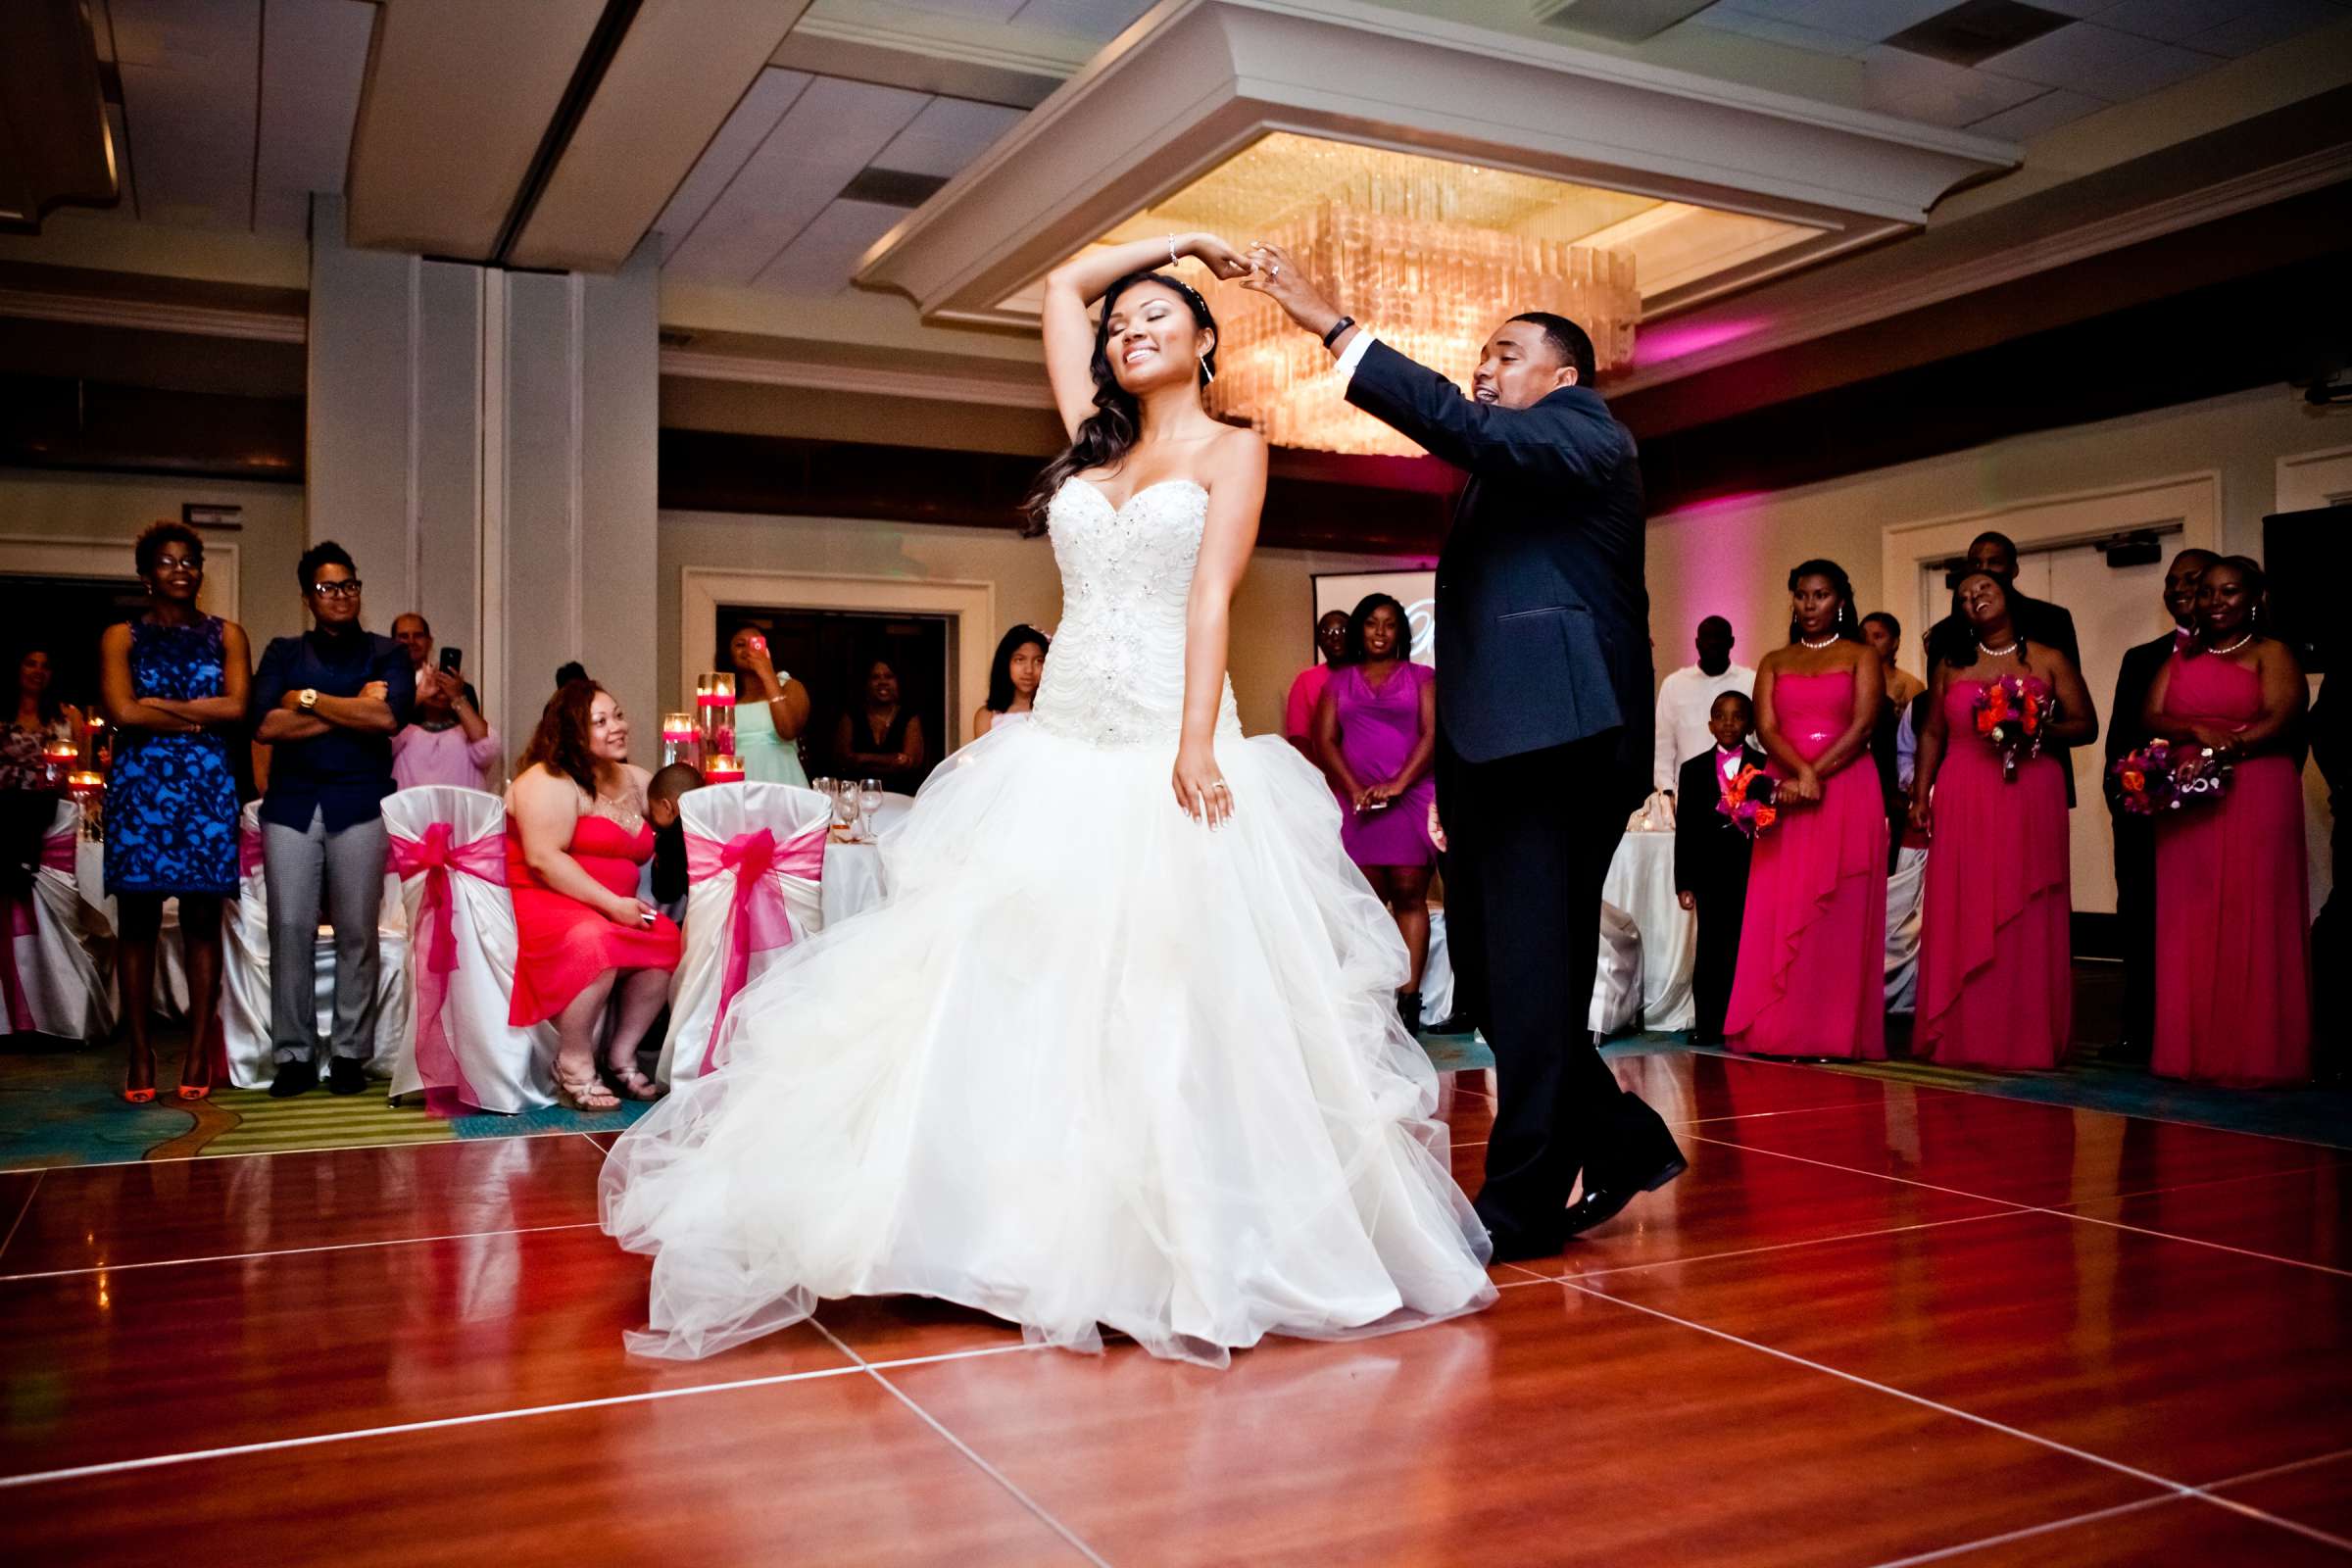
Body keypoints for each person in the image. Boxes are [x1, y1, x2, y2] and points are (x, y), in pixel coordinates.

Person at [602, 230, 1494, 1366]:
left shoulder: (1234, 448)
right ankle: (994, 1230)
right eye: (1122, 326)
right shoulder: (1090, 440)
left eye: (1158, 315)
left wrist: (1193, 743)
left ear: (1206, 339)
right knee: (1017, 979)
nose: (1129, 330)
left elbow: (1213, 596)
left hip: (1172, 738)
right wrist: (1179, 245)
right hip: (1060, 738)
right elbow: (1063, 285)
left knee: (1174, 992)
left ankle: (1180, 1244)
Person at [1246, 237, 1685, 1255]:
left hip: (1557, 748)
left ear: (1565, 376)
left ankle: (1522, 1203)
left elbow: (1458, 421)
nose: (1485, 366)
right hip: (1494, 756)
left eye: (1505, 350)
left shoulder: (1587, 433)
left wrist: (1330, 323)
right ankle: (1620, 1137)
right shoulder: (1514, 467)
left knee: (1533, 977)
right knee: (1493, 978)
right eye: (1482, 354)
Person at [1908, 571, 2097, 1071]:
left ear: (2009, 596)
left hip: (2031, 787)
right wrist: (1920, 793)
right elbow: (1931, 733)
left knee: (2024, 901)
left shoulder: (2049, 657)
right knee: (1968, 899)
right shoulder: (1950, 665)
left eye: (1984, 591)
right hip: (1965, 785)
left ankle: (2025, 1033)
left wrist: (2034, 724)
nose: (1974, 600)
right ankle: (1964, 1030)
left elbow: (2086, 725)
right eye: (1964, 597)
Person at [250, 542, 414, 1098]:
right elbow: (266, 727)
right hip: (292, 806)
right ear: (307, 596)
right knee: (290, 929)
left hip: (361, 802)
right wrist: (349, 708)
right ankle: (293, 1055)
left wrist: (308, 700)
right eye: (327, 587)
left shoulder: (388, 652)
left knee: (357, 933)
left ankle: (348, 1052)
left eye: (348, 585)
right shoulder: (282, 652)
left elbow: (388, 718)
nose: (340, 595)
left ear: (358, 590)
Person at [2140, 557, 2311, 1085]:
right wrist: (2194, 729)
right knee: (2189, 919)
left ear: (2255, 598)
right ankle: (2189, 1052)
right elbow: (2150, 716)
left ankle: (2256, 1053)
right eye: (2208, 593)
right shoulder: (2182, 657)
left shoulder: (2271, 653)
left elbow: (2285, 715)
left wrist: (2228, 747)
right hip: (2190, 801)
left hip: (2256, 789)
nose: (2216, 603)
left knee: (2251, 911)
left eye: (2229, 592)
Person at [98, 523, 251, 1100]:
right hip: (140, 790)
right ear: (146, 575)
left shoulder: (227, 635)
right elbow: (121, 712)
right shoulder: (122, 637)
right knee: (136, 924)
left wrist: (156, 706)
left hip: (207, 789)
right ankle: (139, 1053)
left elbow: (237, 708)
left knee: (201, 924)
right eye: (166, 561)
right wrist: (191, 717)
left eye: (190, 561)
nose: (180, 569)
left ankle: (193, 1054)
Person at [1725, 560, 1887, 1060]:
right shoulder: (1775, 659)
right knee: (1783, 907)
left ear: (1840, 600)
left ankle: (1834, 1034)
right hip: (1788, 789)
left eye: (1820, 595)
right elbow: (1767, 729)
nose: (1809, 605)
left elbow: (1863, 726)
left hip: (1849, 787)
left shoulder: (1861, 655)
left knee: (1838, 912)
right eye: (1801, 595)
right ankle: (1778, 1029)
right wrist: (1800, 773)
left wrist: (1816, 772)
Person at [507, 681, 681, 1110]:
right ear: (571, 732)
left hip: (611, 906)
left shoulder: (633, 780)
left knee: (665, 940)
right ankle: (573, 1063)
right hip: (548, 900)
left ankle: (621, 1055)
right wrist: (612, 906)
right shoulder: (546, 780)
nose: (617, 727)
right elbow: (544, 859)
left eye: (618, 715)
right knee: (594, 941)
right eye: (600, 722)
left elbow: (681, 803)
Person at [2104, 549, 2218, 1059]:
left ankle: (2211, 1029)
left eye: (2190, 580)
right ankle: (2142, 1032)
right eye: (2170, 582)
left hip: (2214, 815)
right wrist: (2128, 798)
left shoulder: (2255, 653)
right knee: (2143, 923)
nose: (2176, 589)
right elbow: (2120, 741)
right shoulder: (2142, 658)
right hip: (2145, 818)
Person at [1313, 593, 1439, 1033]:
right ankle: (1370, 999)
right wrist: (1355, 789)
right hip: (1358, 802)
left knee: (1409, 894)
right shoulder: (1338, 682)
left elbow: (1432, 734)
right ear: (1359, 630)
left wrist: (1399, 783)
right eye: (1371, 623)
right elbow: (1325, 740)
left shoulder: (1422, 676)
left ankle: (1409, 1001)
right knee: (1363, 902)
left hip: (1410, 796)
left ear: (1402, 632)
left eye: (1389, 624)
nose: (1380, 632)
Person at [1926, 531, 2082, 807]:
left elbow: (2072, 709)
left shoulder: (2051, 620)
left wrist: (2030, 725)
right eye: (1975, 563)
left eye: (1994, 562)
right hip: (1967, 776)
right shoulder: (1945, 633)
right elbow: (1938, 721)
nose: (1983, 569)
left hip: (2035, 770)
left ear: (2013, 569)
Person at [1674, 691, 1765, 1045]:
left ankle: (1741, 1022)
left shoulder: (1762, 764)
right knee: (1710, 948)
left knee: (1744, 946)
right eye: (1721, 716)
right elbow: (1686, 831)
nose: (1729, 723)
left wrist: (1752, 815)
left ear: (1751, 723)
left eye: (1738, 716)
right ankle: (1708, 1023)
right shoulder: (1693, 770)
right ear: (1711, 723)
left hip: (1749, 870)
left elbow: (1770, 819)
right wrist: (1684, 881)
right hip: (1709, 874)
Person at [4, 646, 82, 922]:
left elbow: (79, 770)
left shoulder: (68, 716)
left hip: (50, 810)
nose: (38, 671)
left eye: (44, 666)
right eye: (30, 664)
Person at [388, 615, 500, 791]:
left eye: (418, 635)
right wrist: (419, 695)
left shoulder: (463, 694)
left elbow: (485, 748)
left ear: (429, 641)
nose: (411, 642)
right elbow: (383, 743)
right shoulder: (388, 689)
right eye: (403, 636)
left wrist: (456, 696)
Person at [1651, 616, 1754, 797]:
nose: (1713, 643)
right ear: (1697, 643)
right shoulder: (1674, 684)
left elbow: (1762, 743)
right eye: (1707, 637)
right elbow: (1663, 746)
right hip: (1688, 793)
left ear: (1731, 642)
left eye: (1719, 637)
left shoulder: (1751, 681)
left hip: (1743, 796)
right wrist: (1666, 792)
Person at [725, 624, 812, 787]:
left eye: (755, 643)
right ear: (729, 653)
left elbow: (788, 730)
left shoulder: (790, 686)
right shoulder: (723, 695)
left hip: (782, 781)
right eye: (740, 644)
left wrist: (767, 673)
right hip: (736, 786)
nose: (748, 650)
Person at [831, 659, 926, 795]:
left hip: (901, 796)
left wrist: (863, 758)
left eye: (889, 676)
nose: (883, 682)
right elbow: (845, 759)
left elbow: (907, 762)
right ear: (866, 683)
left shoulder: (909, 716)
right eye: (875, 677)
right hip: (859, 797)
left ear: (898, 682)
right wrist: (890, 760)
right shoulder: (852, 715)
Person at [1283, 610, 1353, 761]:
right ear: (1318, 641)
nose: (1335, 637)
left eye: (1343, 630)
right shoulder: (1305, 681)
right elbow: (1298, 739)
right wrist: (1318, 776)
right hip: (1323, 774)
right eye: (1326, 632)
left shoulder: (1369, 677)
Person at [647, 760, 704, 922]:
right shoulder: (714, 821)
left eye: (653, 810)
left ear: (667, 806)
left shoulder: (670, 838)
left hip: (703, 918)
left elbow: (666, 893)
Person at [973, 624, 1051, 738]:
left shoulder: (1055, 711)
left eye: (1038, 661)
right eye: (1020, 660)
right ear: (1005, 663)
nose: (1029, 670)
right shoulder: (987, 716)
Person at [1861, 612, 1926, 710]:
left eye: (1878, 636)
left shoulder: (1910, 685)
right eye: (1864, 637)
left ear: (1895, 642)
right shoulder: (1851, 679)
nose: (1869, 642)